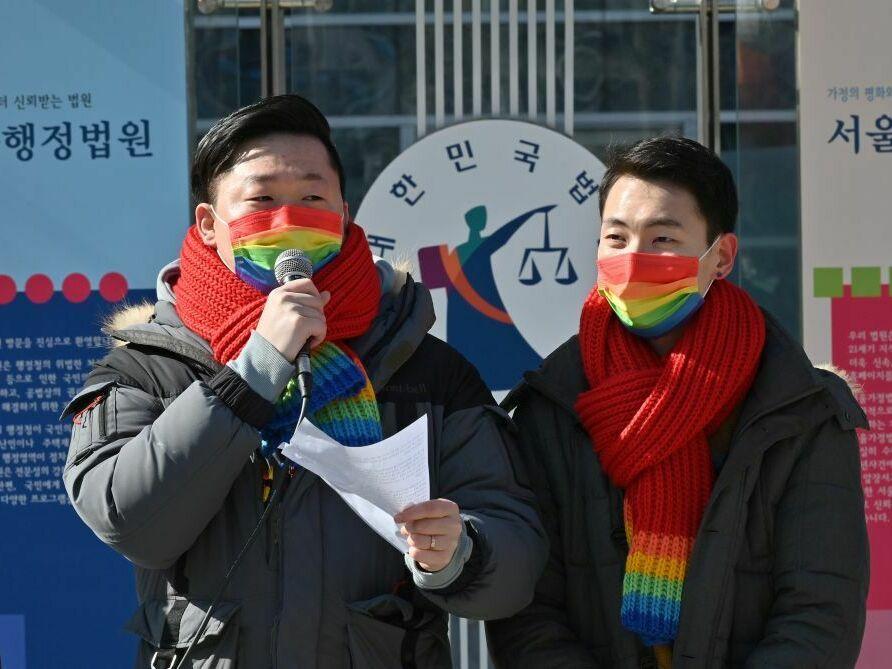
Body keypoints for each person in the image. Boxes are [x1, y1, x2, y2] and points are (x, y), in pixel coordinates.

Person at [61, 94, 546, 668]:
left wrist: (461, 550)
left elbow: (515, 556)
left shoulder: (425, 371)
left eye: (312, 198)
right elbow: (131, 521)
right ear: (210, 225)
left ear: (343, 213)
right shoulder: (149, 364)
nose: (288, 221)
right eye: (262, 200)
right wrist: (257, 369)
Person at [486, 136, 870, 668]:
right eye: (615, 238)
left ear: (721, 257)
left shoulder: (798, 408)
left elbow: (821, 613)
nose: (633, 260)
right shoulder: (552, 403)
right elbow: (528, 617)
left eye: (663, 238)